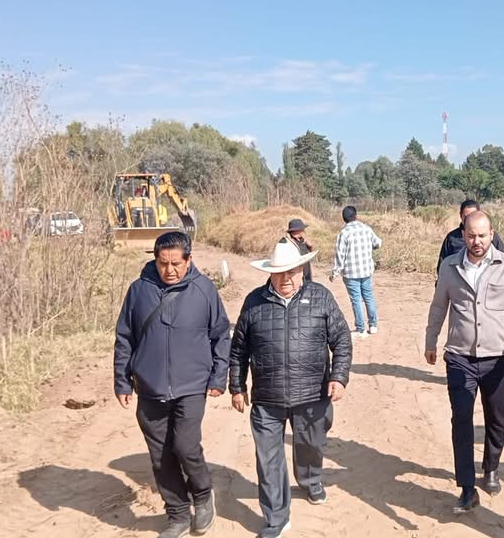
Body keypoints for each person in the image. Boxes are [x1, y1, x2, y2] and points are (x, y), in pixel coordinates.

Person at [230, 238, 353, 538]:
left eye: (293, 271)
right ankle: (276, 519)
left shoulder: (321, 297)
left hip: (312, 396)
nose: (286, 278)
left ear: (302, 269)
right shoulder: (254, 302)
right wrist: (237, 385)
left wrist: (338, 376)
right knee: (268, 460)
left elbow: (342, 340)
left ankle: (310, 482)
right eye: (280, 272)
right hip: (267, 399)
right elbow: (238, 349)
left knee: (310, 447)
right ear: (270, 272)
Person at [113, 231, 231, 538]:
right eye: (163, 263)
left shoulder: (204, 289)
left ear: (189, 259)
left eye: (176, 263)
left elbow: (221, 335)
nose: (170, 270)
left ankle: (203, 495)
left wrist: (220, 376)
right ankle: (177, 514)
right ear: (155, 260)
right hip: (150, 387)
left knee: (185, 446)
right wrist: (122, 381)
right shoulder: (139, 290)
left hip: (192, 384)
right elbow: (125, 337)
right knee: (160, 456)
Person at [424, 211, 504, 514]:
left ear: (492, 234)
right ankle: (467, 487)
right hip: (459, 357)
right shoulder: (449, 266)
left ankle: (491, 467)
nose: (477, 241)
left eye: (482, 235)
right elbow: (438, 306)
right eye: (471, 235)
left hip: (498, 357)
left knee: (496, 415)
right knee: (461, 419)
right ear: (463, 233)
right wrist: (431, 341)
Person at [330, 205, 382, 338]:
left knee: (356, 300)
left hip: (351, 273)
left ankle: (360, 328)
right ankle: (373, 325)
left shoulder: (344, 233)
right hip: (366, 270)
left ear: (344, 219)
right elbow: (377, 243)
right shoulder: (366, 229)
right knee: (368, 297)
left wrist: (335, 272)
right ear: (356, 215)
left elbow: (340, 255)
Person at [435, 199, 504, 274]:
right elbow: (442, 266)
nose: (470, 219)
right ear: (460, 215)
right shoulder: (452, 238)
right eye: (466, 216)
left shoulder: (490, 236)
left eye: (473, 215)